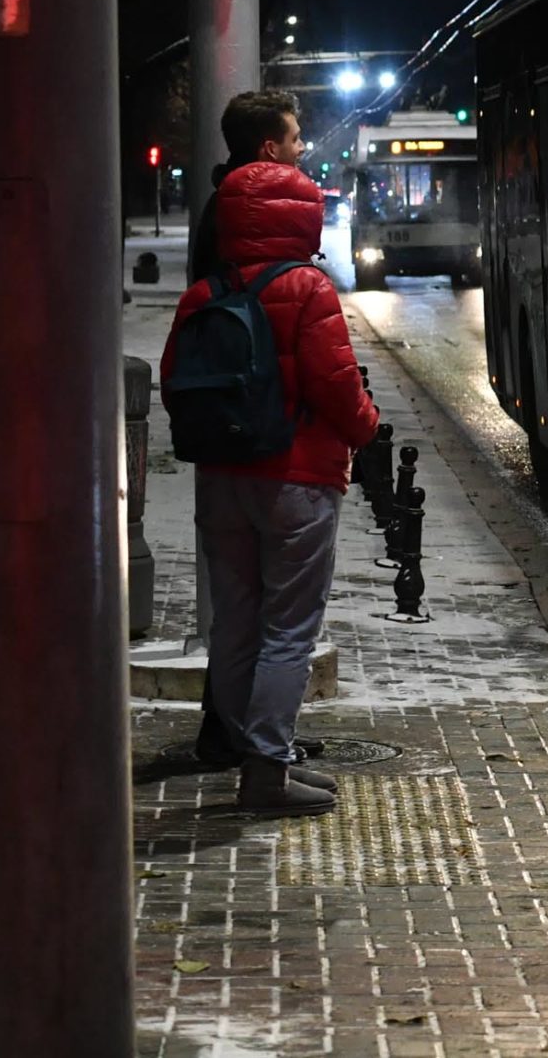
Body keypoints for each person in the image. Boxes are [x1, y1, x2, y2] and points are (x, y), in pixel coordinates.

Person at [163, 119, 381, 815]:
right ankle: (267, 768)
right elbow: (338, 387)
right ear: (300, 211)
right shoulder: (309, 289)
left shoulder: (204, 293)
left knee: (234, 620)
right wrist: (367, 428)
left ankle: (238, 747)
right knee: (289, 627)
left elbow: (174, 378)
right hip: (297, 482)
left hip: (222, 478)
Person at [188, 88, 306, 282]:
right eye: (295, 139)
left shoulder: (219, 205)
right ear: (271, 149)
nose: (301, 148)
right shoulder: (271, 211)